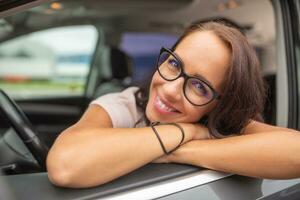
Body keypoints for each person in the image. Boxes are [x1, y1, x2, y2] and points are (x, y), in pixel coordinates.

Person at [46, 21, 300, 188]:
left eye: (200, 86)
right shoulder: (125, 103)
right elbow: (65, 166)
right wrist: (187, 131)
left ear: (222, 105)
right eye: (174, 64)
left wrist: (175, 150)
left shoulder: (222, 124)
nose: (169, 89)